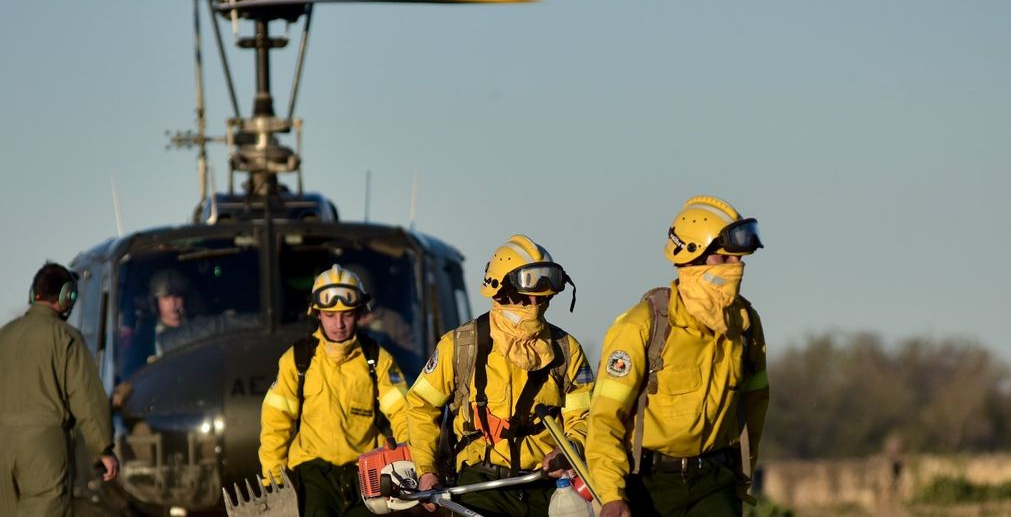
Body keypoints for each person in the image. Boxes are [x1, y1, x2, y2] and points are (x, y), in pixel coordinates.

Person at [586, 196, 770, 517]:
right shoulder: (642, 326)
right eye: (724, 259)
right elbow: (604, 420)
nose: (736, 268)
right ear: (691, 258)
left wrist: (742, 478)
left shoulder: (745, 324)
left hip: (715, 481)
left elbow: (754, 407)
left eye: (739, 260)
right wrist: (611, 494)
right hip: (648, 484)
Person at [406, 235, 595, 517]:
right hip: (478, 490)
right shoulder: (459, 347)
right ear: (501, 291)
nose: (536, 303)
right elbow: (421, 406)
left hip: (547, 489)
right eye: (528, 295)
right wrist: (426, 472)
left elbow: (585, 417)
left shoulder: (567, 351)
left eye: (543, 297)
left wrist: (570, 449)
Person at [259, 264, 411, 517]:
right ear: (317, 314)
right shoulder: (297, 360)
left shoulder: (378, 360)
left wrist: (407, 461)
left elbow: (403, 413)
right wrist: (273, 480)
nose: (338, 324)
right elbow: (275, 422)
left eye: (347, 314)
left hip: (366, 474)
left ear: (359, 313)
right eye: (330, 315)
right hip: (313, 476)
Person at [0, 262, 119, 517]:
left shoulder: (0, 338)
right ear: (67, 296)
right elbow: (86, 397)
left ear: (34, 295)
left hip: (6, 448)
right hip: (45, 447)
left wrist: (2, 442)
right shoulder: (65, 337)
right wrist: (103, 449)